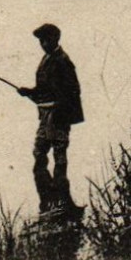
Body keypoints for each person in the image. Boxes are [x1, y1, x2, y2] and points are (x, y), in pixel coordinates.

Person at [18, 23, 84, 214]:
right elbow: (44, 89)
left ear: (55, 39)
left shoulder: (63, 61)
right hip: (46, 117)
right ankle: (49, 201)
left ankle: (62, 203)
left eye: (46, 40)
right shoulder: (47, 59)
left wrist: (57, 109)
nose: (43, 44)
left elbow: (73, 91)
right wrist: (29, 92)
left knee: (59, 159)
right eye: (41, 41)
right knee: (39, 155)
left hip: (58, 118)